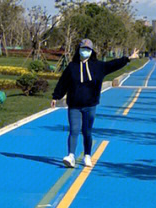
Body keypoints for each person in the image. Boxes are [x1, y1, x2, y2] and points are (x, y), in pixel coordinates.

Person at [50, 38, 130, 167]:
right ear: (79, 50)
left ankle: (87, 155)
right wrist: (56, 96)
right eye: (83, 49)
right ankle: (71, 156)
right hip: (74, 105)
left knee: (87, 131)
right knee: (74, 130)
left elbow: (113, 64)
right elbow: (62, 83)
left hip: (90, 105)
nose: (85, 51)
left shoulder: (98, 67)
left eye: (87, 49)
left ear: (91, 51)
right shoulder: (72, 67)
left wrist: (127, 58)